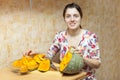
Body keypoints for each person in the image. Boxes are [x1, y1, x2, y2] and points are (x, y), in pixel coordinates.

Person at [25, 3, 101, 80]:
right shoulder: (60, 36)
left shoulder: (91, 37)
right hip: (66, 78)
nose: (72, 19)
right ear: (64, 19)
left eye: (76, 16)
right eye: (68, 16)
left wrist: (83, 58)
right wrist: (35, 55)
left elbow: (97, 64)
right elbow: (49, 56)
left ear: (81, 17)